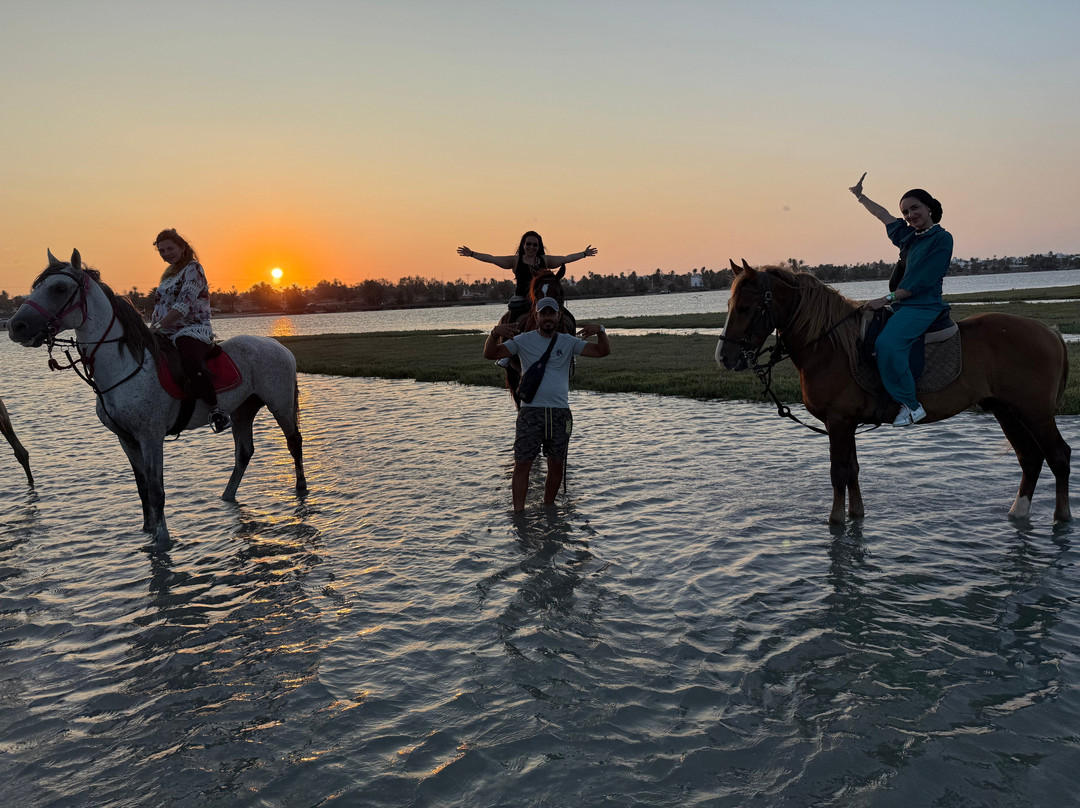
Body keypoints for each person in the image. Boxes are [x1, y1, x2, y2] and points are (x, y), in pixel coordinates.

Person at [484, 296, 610, 512]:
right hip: (531, 412)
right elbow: (490, 354)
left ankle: (549, 508)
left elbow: (602, 351)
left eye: (552, 313)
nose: (548, 317)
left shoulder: (568, 341)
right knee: (522, 463)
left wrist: (601, 330)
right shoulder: (523, 340)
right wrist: (494, 333)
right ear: (536, 315)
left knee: (556, 464)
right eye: (544, 313)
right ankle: (519, 514)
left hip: (560, 413)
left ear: (559, 315)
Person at [849, 174, 953, 427]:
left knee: (887, 344)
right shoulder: (909, 236)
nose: (910, 215)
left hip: (923, 306)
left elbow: (921, 283)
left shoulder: (941, 238)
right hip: (903, 306)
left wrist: (885, 299)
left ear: (929, 207)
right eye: (905, 212)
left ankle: (912, 405)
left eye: (914, 208)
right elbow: (882, 215)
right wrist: (860, 196)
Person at [150, 228, 231, 434]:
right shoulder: (167, 275)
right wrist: (151, 328)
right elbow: (159, 306)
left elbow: (183, 306)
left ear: (182, 247)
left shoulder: (193, 269)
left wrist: (159, 326)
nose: (166, 253)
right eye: (162, 251)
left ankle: (216, 410)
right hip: (166, 330)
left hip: (192, 329)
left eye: (170, 248)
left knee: (189, 359)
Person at [458, 232, 597, 318]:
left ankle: (570, 351)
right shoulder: (515, 260)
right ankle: (506, 355)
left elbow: (566, 258)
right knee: (510, 320)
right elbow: (492, 258)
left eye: (535, 245)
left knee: (566, 317)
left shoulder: (545, 259)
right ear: (523, 245)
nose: (531, 247)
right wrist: (472, 254)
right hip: (521, 299)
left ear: (539, 246)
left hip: (541, 298)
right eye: (528, 244)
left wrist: (584, 254)